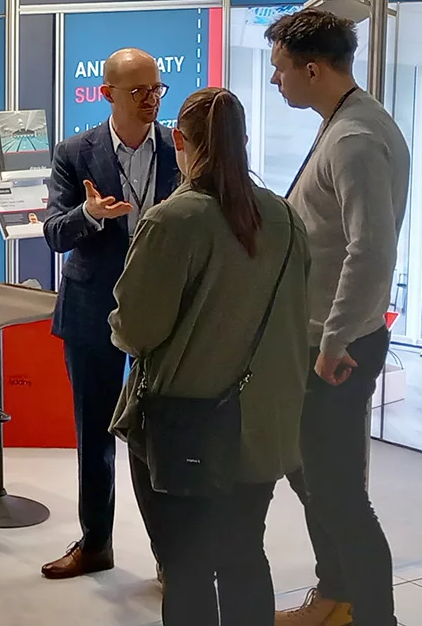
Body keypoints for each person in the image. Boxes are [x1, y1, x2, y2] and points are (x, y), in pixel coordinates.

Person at [110, 86, 312, 626]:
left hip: (186, 429)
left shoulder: (173, 221)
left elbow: (136, 329)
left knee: (188, 565)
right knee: (244, 553)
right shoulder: (286, 219)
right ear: (242, 141)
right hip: (262, 428)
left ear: (180, 141)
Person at [265, 9, 407, 626]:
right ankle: (335, 597)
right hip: (326, 338)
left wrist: (334, 340)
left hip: (337, 347)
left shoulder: (353, 138)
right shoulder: (348, 122)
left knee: (340, 494)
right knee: (315, 479)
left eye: (281, 69)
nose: (275, 80)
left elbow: (370, 249)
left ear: (313, 70)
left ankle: (371, 614)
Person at [39, 47, 181, 579]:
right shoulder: (76, 152)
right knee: (94, 434)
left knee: (161, 439)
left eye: (156, 89)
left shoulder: (180, 147)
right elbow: (54, 233)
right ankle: (96, 543)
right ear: (107, 94)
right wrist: (90, 214)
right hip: (92, 307)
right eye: (138, 91)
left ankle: (173, 559)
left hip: (164, 311)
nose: (151, 100)